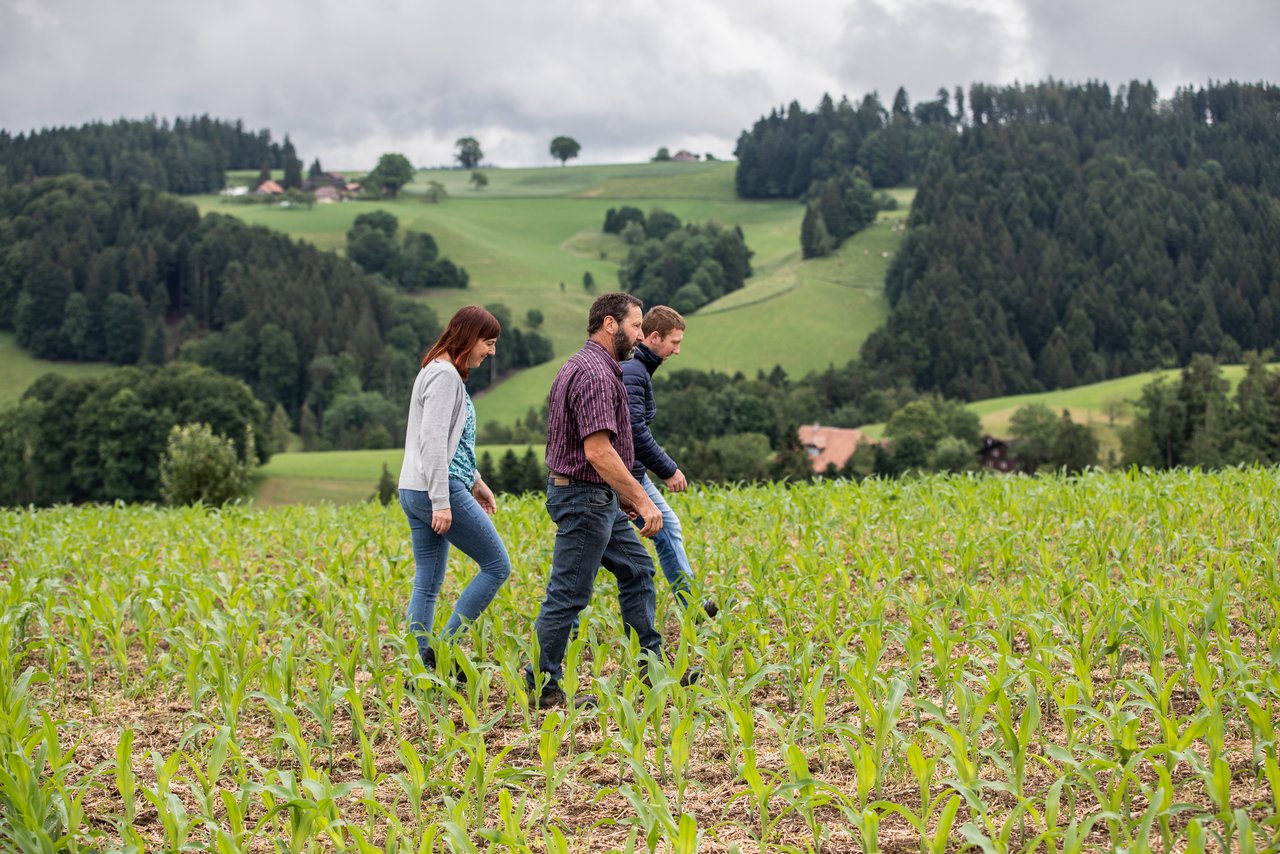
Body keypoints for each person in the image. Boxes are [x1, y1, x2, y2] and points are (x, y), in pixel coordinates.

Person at [526, 292, 697, 709]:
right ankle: (542, 686)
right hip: (584, 497)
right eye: (636, 326)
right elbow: (598, 451)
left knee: (638, 569)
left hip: (594, 495)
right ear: (609, 324)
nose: (640, 335)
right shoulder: (597, 375)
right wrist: (642, 499)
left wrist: (621, 495)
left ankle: (652, 670)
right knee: (569, 592)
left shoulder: (584, 365)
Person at [398, 306, 510, 679]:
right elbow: (432, 441)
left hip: (415, 487)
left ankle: (421, 671)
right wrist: (442, 501)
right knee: (497, 566)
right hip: (437, 488)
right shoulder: (445, 376)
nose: (491, 351)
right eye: (488, 342)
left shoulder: (434, 370)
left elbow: (452, 442)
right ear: (468, 337)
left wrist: (476, 481)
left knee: (427, 583)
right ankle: (441, 654)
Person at [621, 306, 717, 616]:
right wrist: (668, 469)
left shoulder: (639, 370)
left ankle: (692, 607)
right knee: (592, 556)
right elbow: (634, 430)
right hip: (623, 475)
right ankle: (692, 609)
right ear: (653, 337)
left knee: (668, 527)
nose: (677, 351)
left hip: (633, 472)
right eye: (674, 342)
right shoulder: (633, 371)